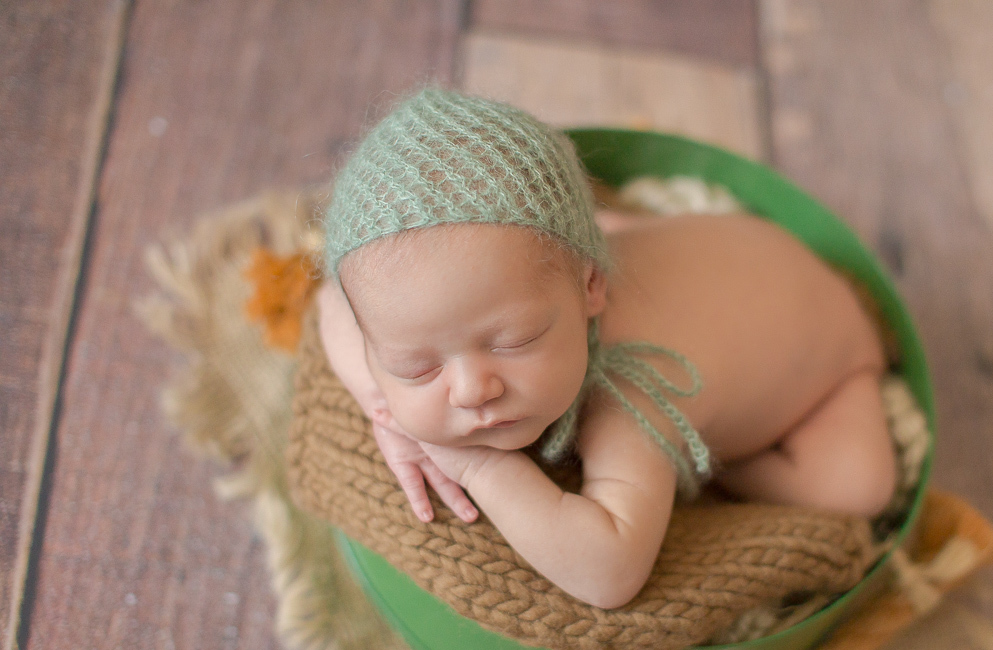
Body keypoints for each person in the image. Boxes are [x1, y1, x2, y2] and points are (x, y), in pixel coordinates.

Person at [317, 89, 895, 609]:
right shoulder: (509, 286)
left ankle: (728, 463)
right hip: (718, 256)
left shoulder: (634, 389)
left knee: (859, 489)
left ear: (593, 287)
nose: (472, 390)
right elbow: (331, 305)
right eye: (416, 366)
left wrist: (476, 463)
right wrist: (385, 410)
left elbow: (610, 574)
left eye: (515, 341)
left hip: (822, 350)